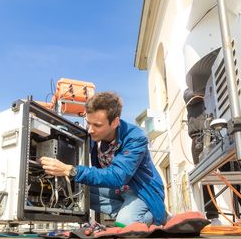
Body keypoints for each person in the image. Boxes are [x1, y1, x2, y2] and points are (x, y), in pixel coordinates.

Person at [40, 91, 166, 226]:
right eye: (88, 123)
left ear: (115, 122)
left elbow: (118, 176)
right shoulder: (93, 136)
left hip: (141, 192)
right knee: (77, 193)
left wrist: (71, 170)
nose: (90, 130)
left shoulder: (135, 137)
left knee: (126, 224)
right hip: (117, 190)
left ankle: (155, 216)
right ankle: (126, 212)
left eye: (97, 125)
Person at [183, 88, 220, 224]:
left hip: (220, 132)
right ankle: (213, 216)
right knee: (206, 177)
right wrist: (206, 89)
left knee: (233, 171)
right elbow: (191, 96)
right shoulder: (190, 90)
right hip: (199, 138)